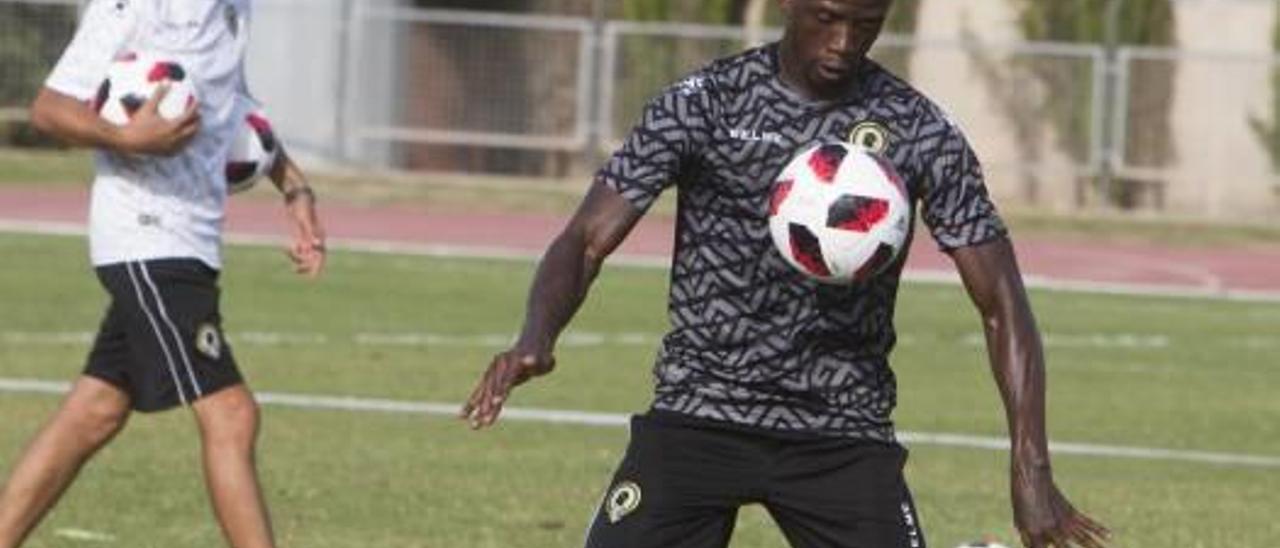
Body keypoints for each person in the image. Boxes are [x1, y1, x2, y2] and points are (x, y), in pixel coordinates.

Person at [461, 0, 1110, 547]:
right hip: (698, 411)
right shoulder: (707, 104)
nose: (844, 42)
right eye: (827, 18)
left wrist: (1031, 468)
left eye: (866, 23)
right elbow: (584, 240)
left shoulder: (918, 131)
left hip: (840, 426)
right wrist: (534, 337)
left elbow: (1002, 301)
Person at [0, 1, 324, 547]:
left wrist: (294, 185)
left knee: (97, 410)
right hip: (146, 234)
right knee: (232, 415)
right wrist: (125, 138)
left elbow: (232, 106)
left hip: (191, 239)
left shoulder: (235, 10)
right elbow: (49, 108)